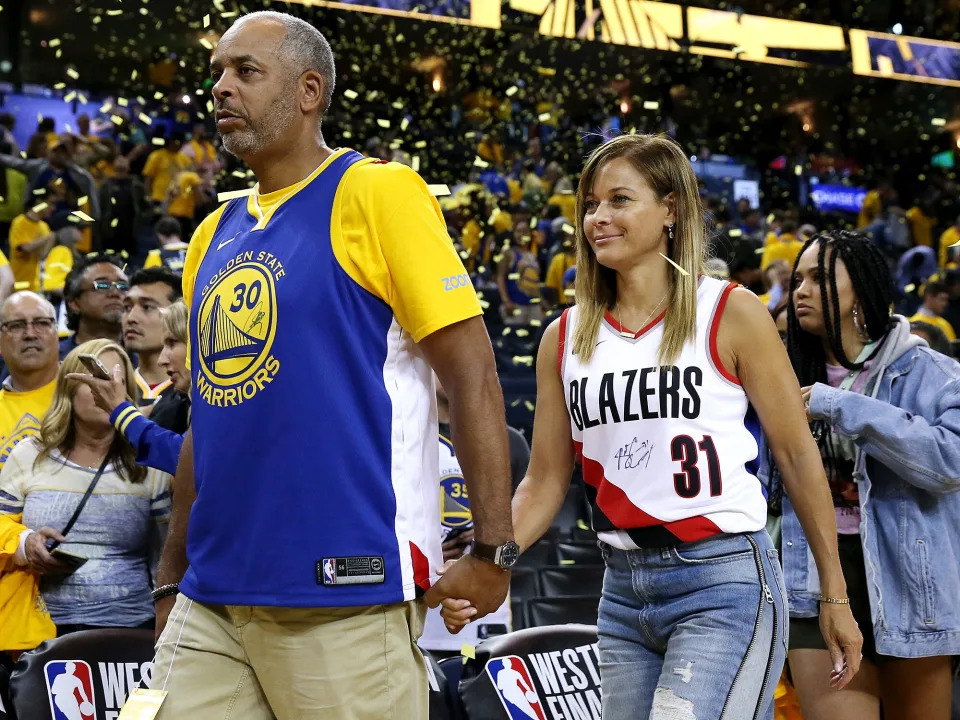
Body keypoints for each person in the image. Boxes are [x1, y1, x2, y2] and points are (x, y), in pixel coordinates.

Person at [150, 11, 514, 720]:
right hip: (212, 597)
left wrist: (494, 548)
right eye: (218, 72)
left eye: (245, 72)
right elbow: (208, 422)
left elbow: (472, 376)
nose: (221, 87)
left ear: (309, 90)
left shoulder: (378, 193)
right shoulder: (209, 236)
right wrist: (171, 577)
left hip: (346, 588)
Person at [441, 134, 861, 719]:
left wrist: (833, 594)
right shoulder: (562, 338)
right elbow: (542, 482)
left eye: (619, 200)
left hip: (723, 579)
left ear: (670, 209)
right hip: (621, 587)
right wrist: (491, 560)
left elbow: (795, 455)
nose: (598, 217)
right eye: (590, 204)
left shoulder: (729, 311)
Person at [779, 230, 960, 720]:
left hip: (911, 580)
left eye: (818, 278)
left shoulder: (930, 371)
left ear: (861, 285)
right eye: (797, 279)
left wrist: (838, 404)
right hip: (815, 576)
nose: (801, 290)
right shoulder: (781, 373)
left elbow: (950, 462)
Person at [1, 340, 171, 635]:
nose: (105, 389)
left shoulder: (148, 464)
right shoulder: (29, 455)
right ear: (69, 386)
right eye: (96, 378)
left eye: (116, 381)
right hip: (41, 630)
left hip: (131, 629)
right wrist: (25, 543)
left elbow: (165, 559)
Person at [419, 377, 527, 653]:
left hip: (487, 612)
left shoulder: (509, 441)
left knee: (479, 682)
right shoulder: (401, 440)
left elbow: (529, 518)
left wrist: (490, 541)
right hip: (418, 606)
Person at [72, 302, 190, 475]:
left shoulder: (221, 405)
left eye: (172, 343)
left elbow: (184, 459)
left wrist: (121, 411)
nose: (162, 359)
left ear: (201, 344)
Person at [0, 292, 60, 465]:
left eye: (41, 323)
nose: (30, 334)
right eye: (16, 325)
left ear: (57, 334)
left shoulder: (90, 395)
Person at [122, 267, 182, 406]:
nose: (131, 318)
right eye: (127, 308)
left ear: (178, 314)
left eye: (147, 307)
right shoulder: (114, 389)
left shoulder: (197, 392)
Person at [59, 254, 129, 359]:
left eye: (123, 286)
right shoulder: (52, 360)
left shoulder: (148, 359)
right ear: (74, 303)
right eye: (102, 285)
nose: (115, 293)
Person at [97, 154, 146, 257]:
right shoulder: (106, 185)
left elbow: (145, 205)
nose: (120, 161)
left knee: (130, 260)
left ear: (129, 166)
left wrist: (141, 221)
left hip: (130, 231)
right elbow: (100, 206)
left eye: (123, 159)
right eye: (118, 159)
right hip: (110, 232)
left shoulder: (136, 185)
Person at [496, 219, 542, 324]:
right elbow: (500, 278)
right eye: (518, 231)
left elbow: (535, 283)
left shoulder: (533, 255)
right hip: (516, 304)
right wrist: (507, 302)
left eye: (525, 231)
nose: (521, 234)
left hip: (533, 305)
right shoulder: (508, 252)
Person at [8, 199, 56, 292]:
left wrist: (48, 241)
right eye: (51, 205)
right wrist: (46, 238)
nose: (53, 209)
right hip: (18, 280)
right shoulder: (20, 222)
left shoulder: (44, 226)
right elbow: (25, 248)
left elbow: (42, 255)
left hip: (36, 283)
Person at [141, 132, 191, 211]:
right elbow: (148, 177)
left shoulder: (185, 159)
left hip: (178, 200)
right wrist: (148, 196)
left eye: (181, 143)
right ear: (170, 141)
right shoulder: (156, 156)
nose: (178, 145)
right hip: (159, 197)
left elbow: (190, 179)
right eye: (176, 142)